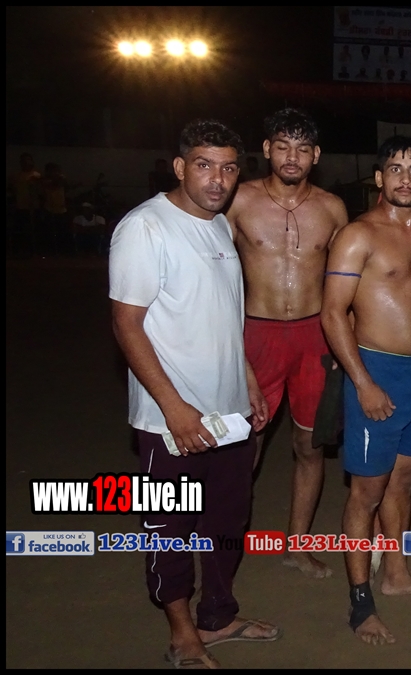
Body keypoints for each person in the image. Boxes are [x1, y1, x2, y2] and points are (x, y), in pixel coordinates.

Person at [109, 119, 277, 669]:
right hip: (171, 421)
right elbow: (127, 325)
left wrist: (247, 378)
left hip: (229, 414)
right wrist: (174, 409)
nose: (217, 179)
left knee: (228, 521)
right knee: (172, 529)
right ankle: (183, 633)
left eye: (228, 168)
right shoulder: (146, 227)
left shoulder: (220, 227)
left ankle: (218, 615)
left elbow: (224, 317)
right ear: (180, 167)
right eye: (204, 165)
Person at [321, 136, 411, 645]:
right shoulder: (357, 235)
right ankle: (361, 602)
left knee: (403, 481)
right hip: (376, 371)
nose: (406, 178)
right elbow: (332, 313)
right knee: (366, 493)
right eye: (395, 169)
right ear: (379, 178)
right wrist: (363, 382)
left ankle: (397, 574)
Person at [226, 108, 350, 579]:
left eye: (302, 148)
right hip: (255, 334)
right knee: (246, 443)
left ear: (316, 155)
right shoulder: (239, 200)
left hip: (314, 336)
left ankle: (297, 544)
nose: (292, 157)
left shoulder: (333, 208)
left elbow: (345, 284)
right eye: (283, 147)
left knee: (310, 444)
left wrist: (345, 347)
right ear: (266, 150)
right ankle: (226, 543)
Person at [8, 153, 41, 254]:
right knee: (20, 229)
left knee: (33, 229)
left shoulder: (36, 175)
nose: (26, 162)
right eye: (23, 160)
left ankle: (33, 250)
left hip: (33, 206)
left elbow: (40, 190)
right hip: (20, 206)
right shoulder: (16, 176)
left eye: (28, 160)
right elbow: (13, 190)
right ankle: (19, 250)